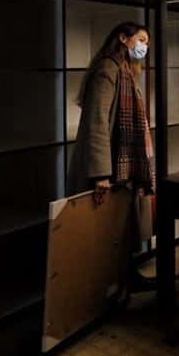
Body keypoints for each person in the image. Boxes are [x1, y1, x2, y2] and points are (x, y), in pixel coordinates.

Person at [72, 21, 158, 255]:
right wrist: (100, 174)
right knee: (105, 232)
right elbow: (97, 122)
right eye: (141, 40)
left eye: (147, 43)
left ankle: (127, 281)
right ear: (123, 38)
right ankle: (110, 287)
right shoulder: (108, 69)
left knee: (122, 228)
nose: (144, 47)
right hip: (109, 164)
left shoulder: (126, 70)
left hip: (122, 161)